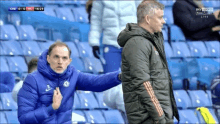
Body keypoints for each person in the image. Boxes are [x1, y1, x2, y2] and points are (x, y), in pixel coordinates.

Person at [17, 41, 121, 124]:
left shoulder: (73, 75)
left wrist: (120, 75)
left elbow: (97, 82)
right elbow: (24, 118)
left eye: (64, 58)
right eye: (56, 57)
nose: (60, 62)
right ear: (48, 58)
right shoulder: (33, 80)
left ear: (69, 61)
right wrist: (51, 108)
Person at [117, 1, 179, 123]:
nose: (164, 21)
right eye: (160, 17)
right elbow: (143, 83)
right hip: (148, 118)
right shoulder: (137, 43)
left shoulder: (151, 40)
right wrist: (160, 117)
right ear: (147, 19)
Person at [88, 0, 141, 73]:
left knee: (135, 77)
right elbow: (96, 20)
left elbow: (143, 16)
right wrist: (94, 42)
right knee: (110, 78)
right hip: (110, 43)